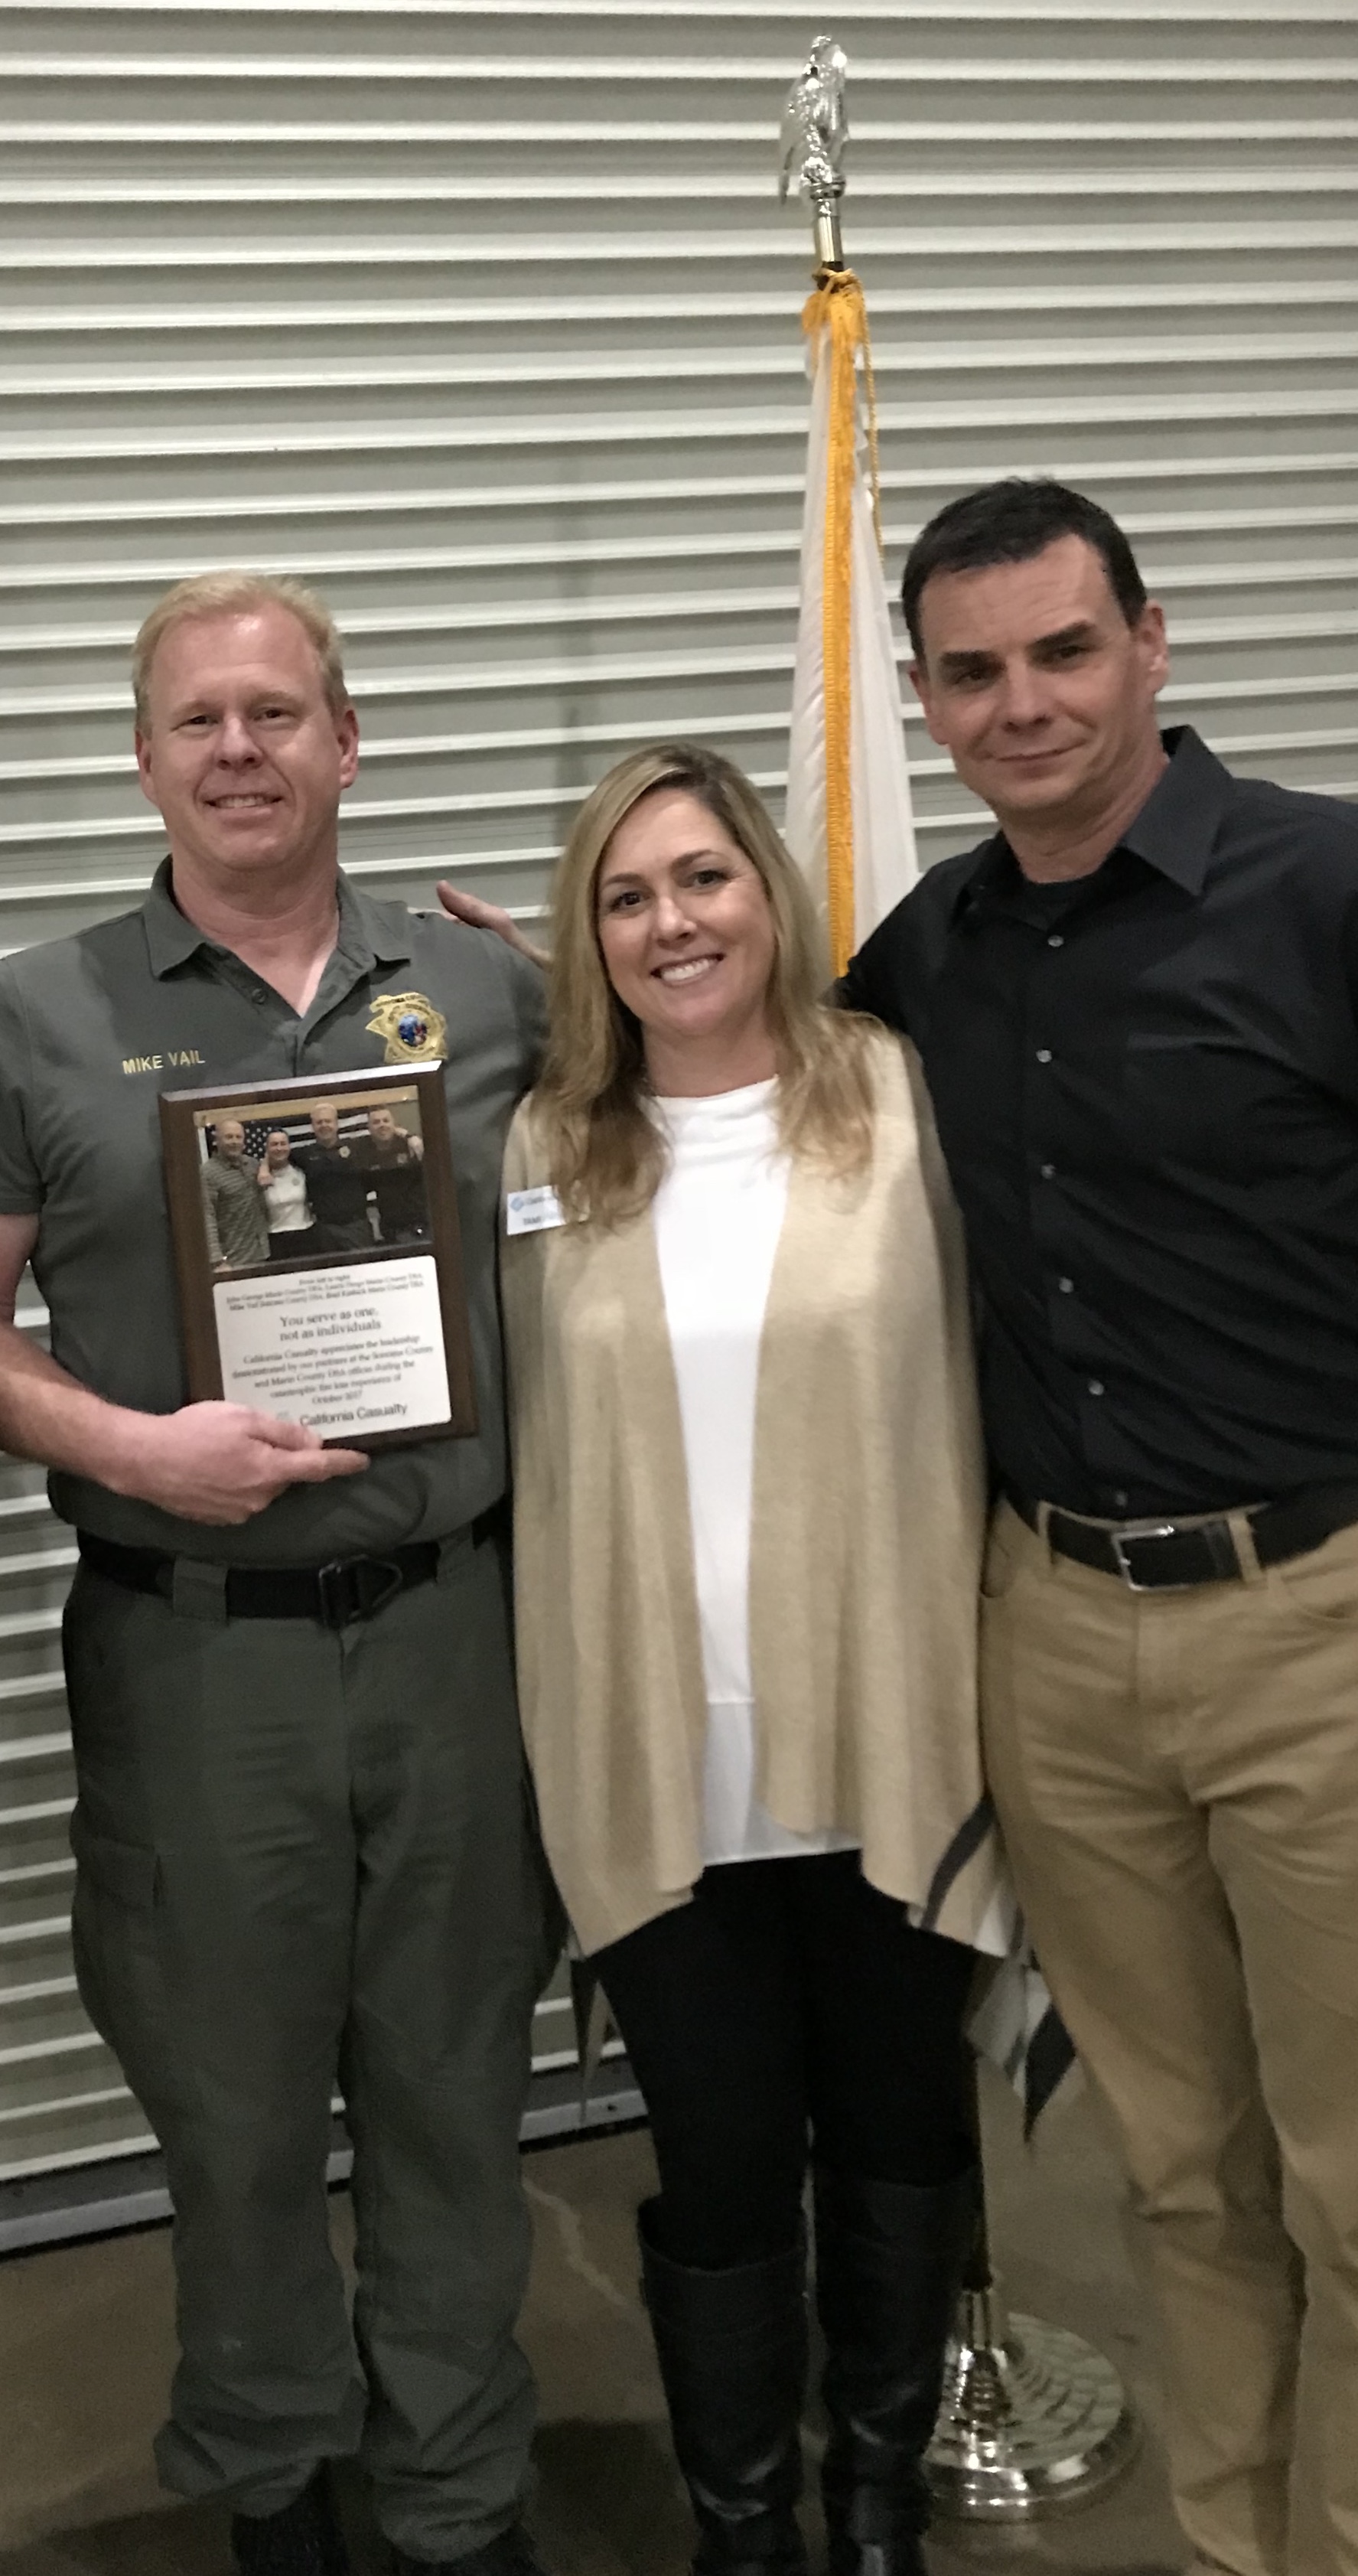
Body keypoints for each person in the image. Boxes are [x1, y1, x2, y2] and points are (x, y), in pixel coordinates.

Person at [0, 571, 557, 2576]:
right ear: (142, 755)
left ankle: (459, 2488)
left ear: (346, 735)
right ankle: (268, 2476)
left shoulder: (482, 989)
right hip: (195, 1656)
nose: (236, 749)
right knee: (232, 2118)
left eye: (273, 711)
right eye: (194, 719)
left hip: (451, 1634)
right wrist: (139, 1445)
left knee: (453, 2084)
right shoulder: (39, 1008)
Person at [833, 478, 1358, 2576]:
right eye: (967, 671)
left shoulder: (1318, 886)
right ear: (921, 697)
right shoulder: (923, 953)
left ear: (1148, 641)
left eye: (1060, 650)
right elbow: (742, 1094)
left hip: (1310, 1617)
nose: (1016, 702)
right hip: (1048, 1637)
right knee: (1176, 2169)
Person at [500, 742, 1008, 2576]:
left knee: (893, 2129)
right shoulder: (545, 1138)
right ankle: (745, 2526)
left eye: (701, 875)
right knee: (715, 2163)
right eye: (625, 894)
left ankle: (875, 2502)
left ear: (768, 892)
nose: (670, 920)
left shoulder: (894, 1092)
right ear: (588, 935)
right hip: (651, 1769)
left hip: (878, 1735)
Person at [294, 1097, 375, 1252]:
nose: (324, 1125)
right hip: (325, 1229)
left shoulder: (357, 1147)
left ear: (336, 1124)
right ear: (313, 1126)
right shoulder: (304, 1154)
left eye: (328, 1121)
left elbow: (385, 1135)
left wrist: (408, 1136)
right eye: (319, 1122)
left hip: (357, 1226)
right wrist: (264, 1168)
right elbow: (276, 1157)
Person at [202, 1115, 269, 1270]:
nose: (234, 1142)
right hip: (233, 1261)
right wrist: (217, 1261)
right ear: (216, 1141)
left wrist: (264, 1166)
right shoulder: (208, 1173)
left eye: (238, 1137)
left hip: (263, 1253)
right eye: (229, 1137)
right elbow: (207, 1216)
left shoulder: (252, 1164)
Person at [362, 1101, 428, 1244]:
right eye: (376, 1122)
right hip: (389, 1228)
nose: (382, 1125)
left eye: (386, 1120)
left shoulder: (411, 1146)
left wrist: (410, 1136)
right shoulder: (365, 1152)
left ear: (394, 1124)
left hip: (418, 1225)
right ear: (369, 1128)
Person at [256, 1127, 321, 1259]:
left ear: (289, 1147)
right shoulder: (258, 1176)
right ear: (267, 1149)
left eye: (283, 1143)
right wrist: (264, 1167)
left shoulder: (302, 1169)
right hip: (275, 1238)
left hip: (305, 1234)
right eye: (274, 1144)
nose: (279, 1148)